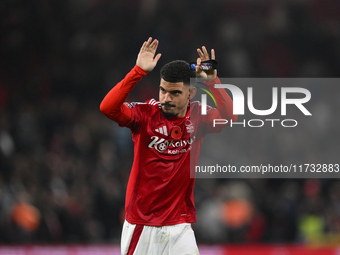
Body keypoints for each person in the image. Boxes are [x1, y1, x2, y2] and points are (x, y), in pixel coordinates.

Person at [100, 37, 237, 255]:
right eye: (163, 90)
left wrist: (212, 81)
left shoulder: (198, 116)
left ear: (190, 93)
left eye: (175, 93)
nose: (166, 98)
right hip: (142, 225)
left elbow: (230, 116)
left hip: (180, 226)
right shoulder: (144, 115)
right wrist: (137, 71)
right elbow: (108, 107)